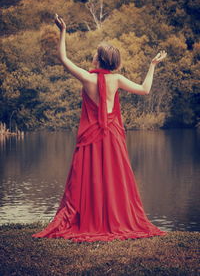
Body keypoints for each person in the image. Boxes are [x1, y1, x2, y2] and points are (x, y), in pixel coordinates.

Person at [32, 14, 167, 242]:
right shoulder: (117, 80)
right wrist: (152, 65)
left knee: (89, 177)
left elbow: (63, 58)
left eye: (95, 53)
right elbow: (145, 89)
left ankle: (91, 218)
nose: (93, 55)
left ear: (99, 59)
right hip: (112, 136)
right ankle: (115, 218)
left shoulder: (87, 78)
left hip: (90, 137)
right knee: (115, 178)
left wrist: (63, 31)